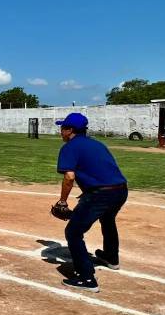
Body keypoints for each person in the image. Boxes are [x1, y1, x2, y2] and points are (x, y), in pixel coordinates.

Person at [54, 113, 128, 293]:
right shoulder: (96, 144)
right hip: (120, 190)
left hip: (100, 193)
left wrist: (62, 201)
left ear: (70, 130)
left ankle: (87, 278)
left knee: (73, 232)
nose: (61, 131)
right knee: (107, 219)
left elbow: (69, 176)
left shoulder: (70, 147)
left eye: (63, 128)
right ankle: (111, 257)